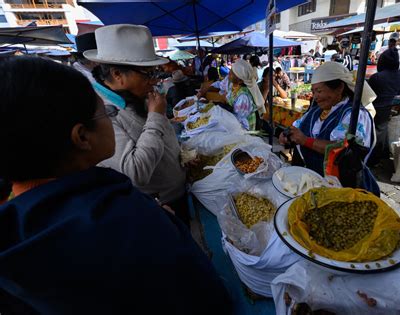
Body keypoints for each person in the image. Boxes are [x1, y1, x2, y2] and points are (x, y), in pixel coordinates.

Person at [0, 56, 232, 315]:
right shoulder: (129, 219)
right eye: (105, 112)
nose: (112, 115)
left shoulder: (13, 231)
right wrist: (156, 222)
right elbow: (205, 295)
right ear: (82, 136)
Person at [86, 24, 189, 225]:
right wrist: (156, 116)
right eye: (147, 74)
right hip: (159, 206)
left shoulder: (136, 95)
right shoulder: (102, 113)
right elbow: (135, 172)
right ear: (117, 74)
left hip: (178, 190)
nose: (154, 81)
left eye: (155, 73)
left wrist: (181, 155)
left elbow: (161, 135)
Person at [279, 62, 376, 176]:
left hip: (340, 186)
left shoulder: (355, 115)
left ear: (339, 88)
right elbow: (296, 127)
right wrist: (287, 135)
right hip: (310, 179)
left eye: (319, 91)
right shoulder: (316, 111)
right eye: (313, 91)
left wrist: (305, 141)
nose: (315, 97)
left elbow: (345, 151)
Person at [368, 48, 400, 165]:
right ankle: (378, 157)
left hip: (375, 107)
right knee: (381, 132)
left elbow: (369, 93)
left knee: (373, 133)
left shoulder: (378, 77)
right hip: (388, 106)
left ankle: (371, 159)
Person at [227, 59, 265, 130]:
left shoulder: (243, 97)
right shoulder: (235, 87)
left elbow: (238, 121)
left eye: (232, 73)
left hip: (244, 134)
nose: (229, 73)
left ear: (240, 80)